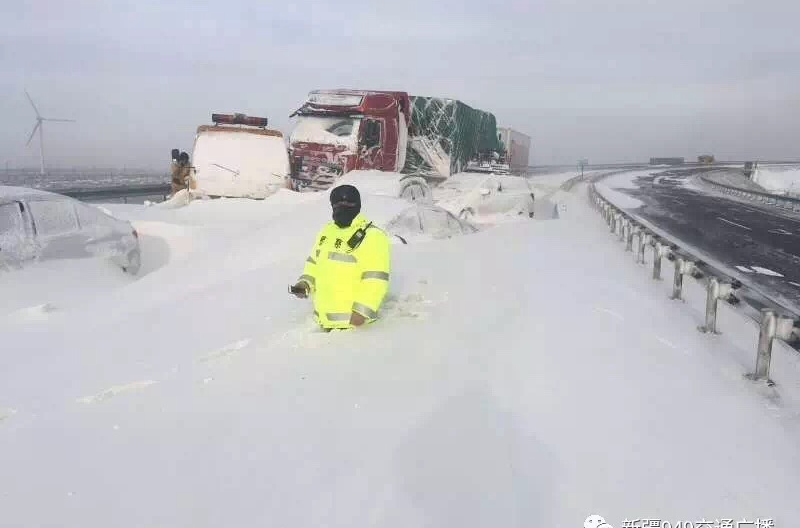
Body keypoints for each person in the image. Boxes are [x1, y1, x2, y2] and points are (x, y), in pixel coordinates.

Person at [290, 184, 391, 330]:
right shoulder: (327, 231)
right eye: (337, 203)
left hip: (354, 327)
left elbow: (376, 279)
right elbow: (314, 263)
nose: (341, 207)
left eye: (348, 203)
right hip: (322, 322)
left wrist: (362, 311)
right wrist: (305, 283)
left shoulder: (373, 236)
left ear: (357, 206)